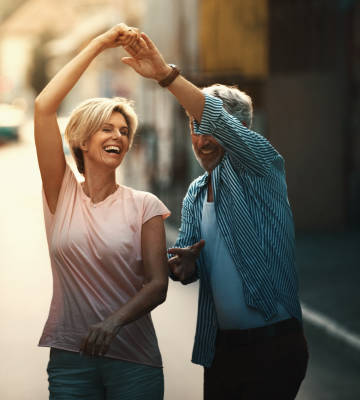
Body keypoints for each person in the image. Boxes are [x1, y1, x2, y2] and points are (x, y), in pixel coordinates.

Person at [121, 32, 309, 399]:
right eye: (194, 127)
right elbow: (189, 268)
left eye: (209, 129)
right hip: (223, 351)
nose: (201, 139)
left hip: (274, 347)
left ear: (239, 133)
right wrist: (184, 266)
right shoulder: (195, 192)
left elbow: (218, 121)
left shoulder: (261, 167)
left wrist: (165, 74)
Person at [34, 24, 170, 399]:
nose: (118, 137)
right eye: (106, 129)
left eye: (124, 131)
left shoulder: (145, 206)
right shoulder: (60, 197)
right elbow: (44, 107)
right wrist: (97, 44)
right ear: (82, 139)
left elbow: (158, 285)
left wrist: (114, 322)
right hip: (70, 360)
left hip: (133, 361)